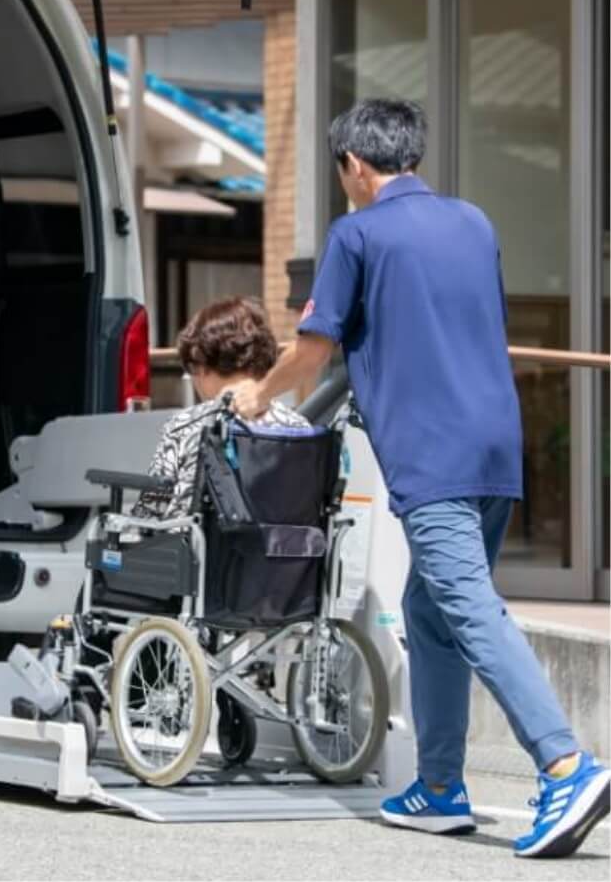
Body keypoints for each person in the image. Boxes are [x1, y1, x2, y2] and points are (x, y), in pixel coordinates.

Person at [229, 98, 609, 858]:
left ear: (353, 165)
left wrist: (255, 395)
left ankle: (565, 763)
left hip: (430, 454)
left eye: (341, 171)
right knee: (429, 608)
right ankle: (439, 787)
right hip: (496, 447)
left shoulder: (356, 232)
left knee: (466, 605)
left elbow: (311, 349)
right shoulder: (472, 222)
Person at [131, 296, 308, 523]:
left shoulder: (187, 424)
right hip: (283, 553)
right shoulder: (298, 428)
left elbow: (150, 511)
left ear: (199, 361)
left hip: (195, 552)